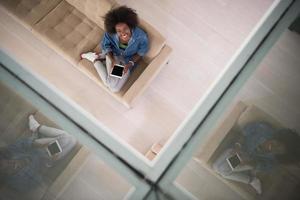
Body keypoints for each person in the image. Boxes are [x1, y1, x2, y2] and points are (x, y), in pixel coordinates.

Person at [212, 121, 300, 194]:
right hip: (239, 148)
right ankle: (251, 179)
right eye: (277, 144)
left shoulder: (275, 160)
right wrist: (238, 147)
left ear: (281, 155)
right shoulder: (263, 128)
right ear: (279, 138)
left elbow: (262, 166)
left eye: (277, 151)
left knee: (222, 169)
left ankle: (251, 179)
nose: (273, 148)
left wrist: (248, 163)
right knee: (216, 168)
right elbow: (244, 133)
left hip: (249, 161)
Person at [0, 115, 77, 193]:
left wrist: (47, 144)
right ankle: (37, 128)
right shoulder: (19, 183)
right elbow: (41, 177)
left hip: (40, 145)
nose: (10, 163)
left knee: (65, 138)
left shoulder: (10, 152)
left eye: (7, 162)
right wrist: (49, 161)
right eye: (7, 168)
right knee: (72, 140)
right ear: (4, 175)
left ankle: (36, 127)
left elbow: (29, 143)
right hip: (46, 160)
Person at [80, 6, 149, 92]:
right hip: (114, 56)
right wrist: (112, 60)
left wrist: (130, 64)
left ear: (130, 25)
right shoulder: (110, 33)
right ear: (115, 30)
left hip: (126, 62)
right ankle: (95, 60)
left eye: (125, 28)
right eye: (119, 31)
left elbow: (141, 52)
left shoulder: (141, 36)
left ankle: (99, 58)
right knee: (111, 83)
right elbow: (106, 46)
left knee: (114, 89)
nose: (123, 33)